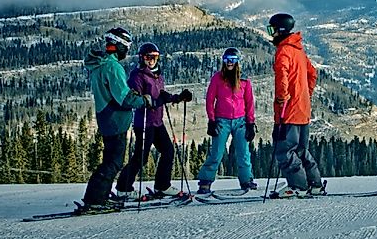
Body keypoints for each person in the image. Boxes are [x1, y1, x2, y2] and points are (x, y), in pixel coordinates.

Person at [81, 27, 152, 210]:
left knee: (110, 159)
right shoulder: (113, 67)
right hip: (114, 120)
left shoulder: (100, 64)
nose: (127, 51)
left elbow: (115, 92)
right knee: (113, 162)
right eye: (126, 46)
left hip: (106, 117)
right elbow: (124, 98)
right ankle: (95, 200)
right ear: (119, 46)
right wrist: (143, 100)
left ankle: (99, 197)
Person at [115, 42, 192, 200]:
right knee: (141, 157)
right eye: (148, 57)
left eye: (154, 57)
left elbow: (161, 95)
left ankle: (162, 186)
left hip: (157, 122)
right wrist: (157, 102)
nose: (151, 60)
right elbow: (136, 99)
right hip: (143, 123)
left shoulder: (158, 75)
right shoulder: (137, 76)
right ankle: (123, 188)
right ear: (142, 58)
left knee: (168, 151)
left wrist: (179, 98)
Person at [267, 13, 324, 198]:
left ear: (280, 30)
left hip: (289, 110)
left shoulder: (284, 51)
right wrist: (306, 94)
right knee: (301, 149)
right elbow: (312, 73)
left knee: (285, 150)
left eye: (271, 29)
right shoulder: (298, 50)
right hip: (303, 109)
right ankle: (314, 184)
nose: (271, 34)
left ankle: (298, 186)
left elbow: (281, 76)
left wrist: (282, 98)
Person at [196, 47, 258, 194]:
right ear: (223, 61)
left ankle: (246, 180)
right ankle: (205, 181)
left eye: (233, 60)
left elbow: (249, 103)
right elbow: (210, 100)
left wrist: (250, 123)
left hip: (240, 121)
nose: (229, 63)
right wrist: (211, 120)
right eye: (227, 60)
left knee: (243, 152)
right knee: (217, 152)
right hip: (221, 120)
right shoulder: (217, 78)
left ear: (237, 62)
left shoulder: (244, 80)